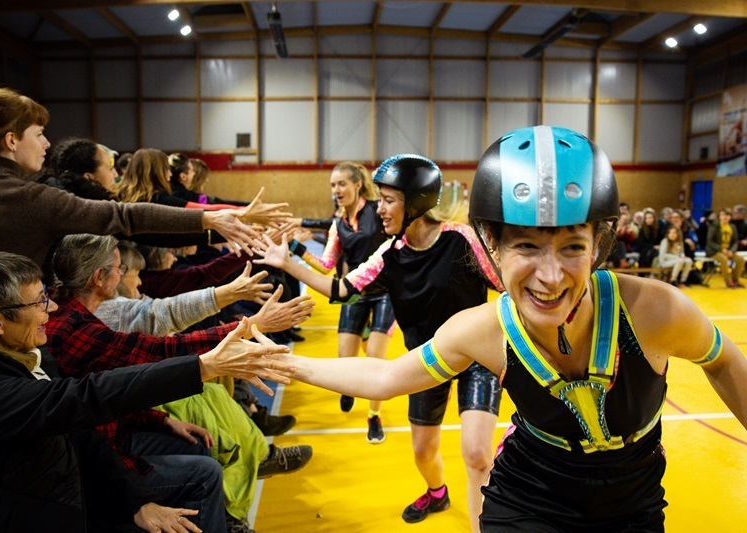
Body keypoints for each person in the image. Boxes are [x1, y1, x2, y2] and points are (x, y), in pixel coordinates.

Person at [256, 126, 747, 531]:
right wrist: (280, 360)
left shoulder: (654, 310)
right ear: (492, 244)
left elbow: (723, 359)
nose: (551, 277)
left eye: (573, 247)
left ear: (599, 244)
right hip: (527, 497)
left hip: (633, 504)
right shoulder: (479, 328)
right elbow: (383, 377)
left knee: (478, 451)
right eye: (527, 247)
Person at [0, 251, 295, 533]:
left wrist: (135, 500)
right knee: (203, 464)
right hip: (48, 510)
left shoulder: (29, 355)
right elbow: (88, 397)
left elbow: (80, 432)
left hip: (69, 496)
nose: (50, 309)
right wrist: (204, 366)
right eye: (39, 302)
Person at [256, 155, 503, 533]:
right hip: (428, 359)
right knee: (423, 452)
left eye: (389, 200)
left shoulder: (460, 239)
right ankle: (437, 492)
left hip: (478, 358)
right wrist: (288, 262)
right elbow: (340, 290)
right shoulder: (389, 255)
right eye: (380, 200)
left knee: (476, 454)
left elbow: (505, 285)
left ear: (416, 203)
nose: (380, 208)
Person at [47, 234, 314, 532]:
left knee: (199, 437)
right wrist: (251, 326)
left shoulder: (76, 315)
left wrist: (161, 422)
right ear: (99, 277)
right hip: (100, 455)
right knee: (205, 465)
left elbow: (107, 394)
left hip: (114, 433)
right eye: (121, 269)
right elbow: (154, 347)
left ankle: (245, 478)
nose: (125, 276)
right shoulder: (76, 327)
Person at [0, 88, 287, 267]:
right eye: (38, 134)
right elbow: (126, 217)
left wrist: (217, 220)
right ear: (11, 141)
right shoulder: (33, 199)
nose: (45, 143)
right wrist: (212, 220)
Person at [289, 162, 395, 442]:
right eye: (333, 185)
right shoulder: (338, 224)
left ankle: (374, 417)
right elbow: (326, 265)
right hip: (354, 293)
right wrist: (295, 247)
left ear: (357, 185)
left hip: (386, 293)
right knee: (345, 358)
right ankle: (349, 385)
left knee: (376, 359)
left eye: (342, 184)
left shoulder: (378, 211)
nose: (336, 190)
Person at [706, 208, 746, 288]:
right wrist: (721, 249)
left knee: (740, 259)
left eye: (727, 215)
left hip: (728, 250)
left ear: (730, 217)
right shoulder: (715, 226)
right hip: (715, 251)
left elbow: (735, 241)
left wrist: (732, 251)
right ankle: (728, 281)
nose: (725, 217)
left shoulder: (732, 227)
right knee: (724, 259)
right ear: (719, 216)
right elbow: (710, 241)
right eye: (723, 215)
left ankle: (735, 280)